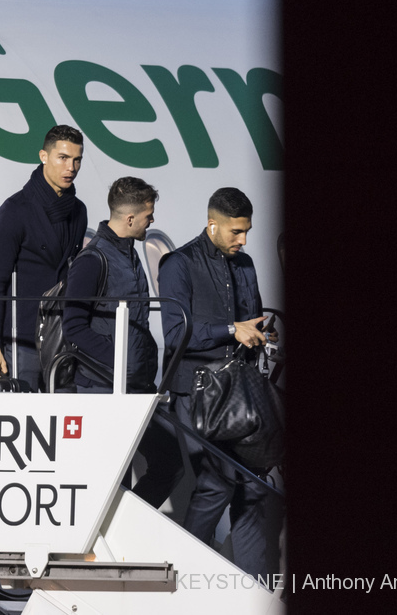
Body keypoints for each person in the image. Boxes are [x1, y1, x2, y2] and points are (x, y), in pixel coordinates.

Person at [159, 187, 279, 579]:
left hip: (240, 394)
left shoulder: (244, 264)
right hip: (195, 393)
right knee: (216, 484)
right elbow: (177, 335)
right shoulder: (178, 264)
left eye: (246, 231)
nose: (243, 240)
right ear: (213, 224)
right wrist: (231, 330)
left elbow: (250, 320)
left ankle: (252, 587)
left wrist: (261, 333)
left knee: (255, 488)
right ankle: (184, 578)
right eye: (236, 232)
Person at [62, 177, 182, 508]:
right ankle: (101, 547)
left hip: (134, 386)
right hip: (102, 389)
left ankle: (126, 528)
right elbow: (73, 327)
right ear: (130, 219)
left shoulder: (128, 252)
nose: (152, 221)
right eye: (148, 215)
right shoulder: (93, 260)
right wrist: (120, 361)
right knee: (112, 476)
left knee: (169, 461)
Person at [0, 125, 87, 391]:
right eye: (62, 158)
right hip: (21, 338)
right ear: (44, 156)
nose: (70, 167)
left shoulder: (78, 211)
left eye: (77, 160)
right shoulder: (16, 210)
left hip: (62, 335)